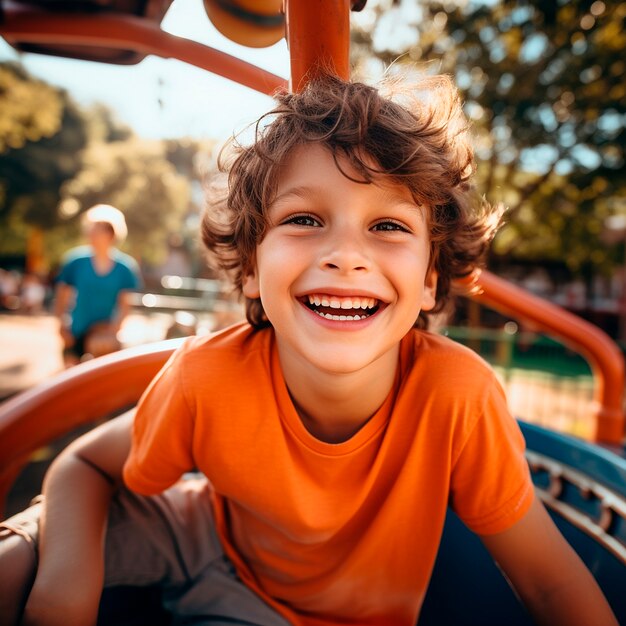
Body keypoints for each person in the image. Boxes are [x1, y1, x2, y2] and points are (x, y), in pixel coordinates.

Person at [0, 74, 618, 626]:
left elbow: (549, 578)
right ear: (250, 267)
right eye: (304, 220)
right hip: (197, 531)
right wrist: (62, 595)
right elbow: (85, 466)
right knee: (14, 564)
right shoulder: (206, 376)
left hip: (277, 610)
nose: (346, 254)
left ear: (430, 280)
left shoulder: (457, 397)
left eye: (388, 225)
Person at [52, 204, 142, 364]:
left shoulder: (125, 268)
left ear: (111, 233)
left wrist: (111, 333)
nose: (91, 233)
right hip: (76, 332)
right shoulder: (75, 261)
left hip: (104, 335)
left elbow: (125, 306)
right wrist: (62, 326)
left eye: (98, 229)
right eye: (91, 228)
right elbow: (62, 298)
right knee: (71, 380)